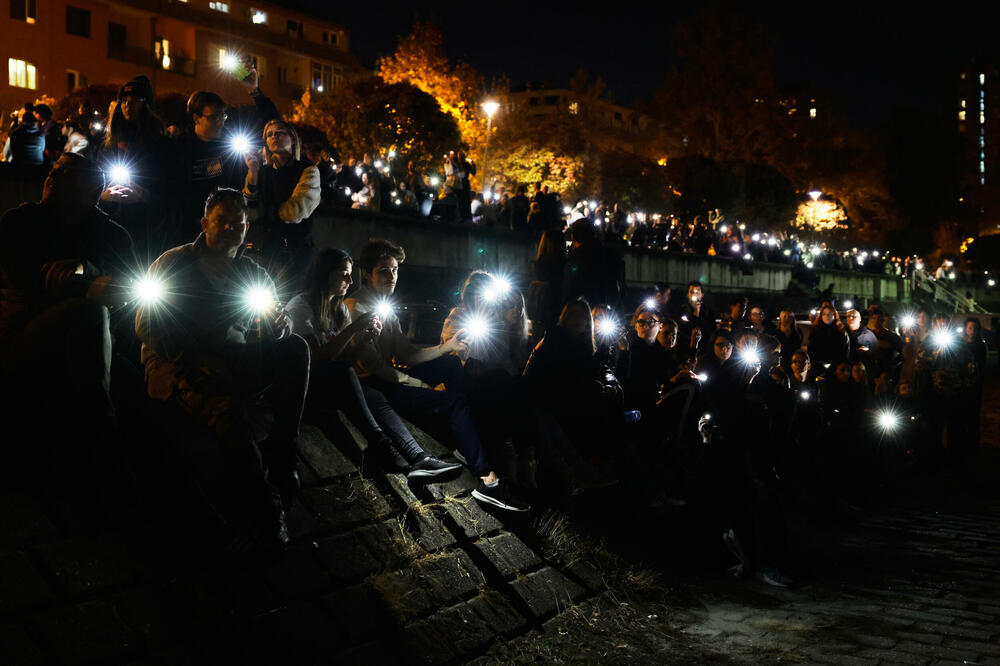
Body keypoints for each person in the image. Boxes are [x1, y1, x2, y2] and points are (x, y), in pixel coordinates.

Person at [136, 188, 309, 550]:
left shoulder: (251, 271)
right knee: (226, 414)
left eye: (239, 222)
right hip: (178, 363)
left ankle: (283, 452)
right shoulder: (174, 263)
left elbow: (271, 321)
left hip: (233, 357)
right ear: (204, 223)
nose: (232, 228)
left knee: (295, 349)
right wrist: (195, 360)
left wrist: (279, 328)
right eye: (223, 221)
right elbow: (147, 325)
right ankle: (266, 512)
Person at [346, 239, 528, 512]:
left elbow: (406, 355)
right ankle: (489, 482)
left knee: (453, 366)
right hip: (374, 387)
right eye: (384, 270)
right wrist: (422, 385)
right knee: (454, 402)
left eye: (395, 270)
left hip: (389, 379)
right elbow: (377, 369)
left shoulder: (385, 307)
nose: (392, 277)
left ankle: (469, 437)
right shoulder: (356, 308)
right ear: (366, 273)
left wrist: (447, 347)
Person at [0, 154, 136, 461]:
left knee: (134, 386)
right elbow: (27, 283)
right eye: (53, 172)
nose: (51, 179)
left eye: (65, 176)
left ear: (91, 191)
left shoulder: (111, 234)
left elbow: (131, 287)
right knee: (89, 312)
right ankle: (103, 437)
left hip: (100, 342)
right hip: (24, 333)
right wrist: (90, 285)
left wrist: (85, 270)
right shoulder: (19, 222)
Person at [286, 248, 460, 478]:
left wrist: (364, 340)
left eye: (350, 274)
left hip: (336, 382)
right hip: (305, 386)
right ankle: (382, 445)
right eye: (344, 274)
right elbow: (316, 358)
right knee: (350, 376)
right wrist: (354, 329)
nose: (350, 280)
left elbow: (347, 357)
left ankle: (418, 457)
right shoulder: (301, 306)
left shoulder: (337, 310)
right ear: (326, 274)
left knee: (375, 396)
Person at [170, 69, 279, 246]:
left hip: (229, 233)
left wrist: (254, 90)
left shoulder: (230, 146)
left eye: (223, 116)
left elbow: (273, 124)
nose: (220, 122)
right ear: (196, 118)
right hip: (188, 236)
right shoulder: (179, 148)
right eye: (214, 117)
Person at [96, 75, 173, 261]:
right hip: (112, 225)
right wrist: (102, 195)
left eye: (135, 100)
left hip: (147, 230)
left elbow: (171, 189)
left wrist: (145, 195)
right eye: (124, 100)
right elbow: (93, 180)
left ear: (146, 104)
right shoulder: (108, 145)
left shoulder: (161, 146)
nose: (127, 105)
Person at [243, 119, 320, 291]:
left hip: (296, 251)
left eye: (279, 133)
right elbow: (250, 211)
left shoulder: (308, 170)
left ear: (293, 138)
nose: (274, 137)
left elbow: (296, 210)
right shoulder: (262, 172)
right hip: (265, 251)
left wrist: (267, 214)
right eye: (269, 135)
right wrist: (253, 175)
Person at [805, 305, 848, 379]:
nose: (827, 316)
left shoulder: (839, 331)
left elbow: (844, 350)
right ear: (821, 316)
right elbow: (811, 350)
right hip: (817, 368)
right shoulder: (815, 331)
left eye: (830, 314)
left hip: (836, 369)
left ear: (834, 315)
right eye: (824, 314)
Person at [679, 281, 716, 357]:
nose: (694, 295)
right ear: (687, 294)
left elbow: (710, 331)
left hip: (703, 350)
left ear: (702, 295)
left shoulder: (708, 312)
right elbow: (682, 329)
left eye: (697, 292)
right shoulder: (682, 310)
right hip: (684, 349)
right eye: (692, 292)